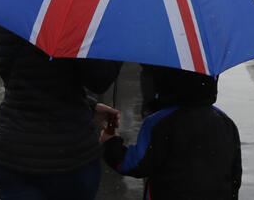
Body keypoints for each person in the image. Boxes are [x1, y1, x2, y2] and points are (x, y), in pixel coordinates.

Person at [0, 23, 122, 200]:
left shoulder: (7, 17)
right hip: (69, 156)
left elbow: (24, 80)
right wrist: (120, 40)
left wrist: (90, 108)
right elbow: (100, 80)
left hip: (12, 151)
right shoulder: (71, 22)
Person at [100, 64, 242, 199]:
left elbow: (135, 164)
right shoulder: (226, 122)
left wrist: (111, 143)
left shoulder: (158, 122)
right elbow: (235, 174)